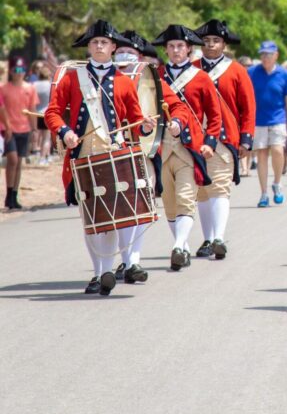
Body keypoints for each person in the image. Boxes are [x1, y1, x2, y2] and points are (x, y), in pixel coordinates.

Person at [44, 20, 166, 294]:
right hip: (84, 155)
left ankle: (117, 266)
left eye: (104, 43)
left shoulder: (123, 81)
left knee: (120, 214)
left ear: (113, 48)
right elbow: (52, 112)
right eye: (94, 42)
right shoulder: (73, 78)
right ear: (88, 47)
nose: (99, 46)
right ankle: (100, 273)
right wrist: (65, 132)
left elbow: (135, 119)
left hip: (115, 154)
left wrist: (145, 125)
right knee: (93, 218)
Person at [154, 24, 223, 272]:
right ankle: (180, 244)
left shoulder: (201, 77)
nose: (175, 50)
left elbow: (215, 116)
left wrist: (210, 142)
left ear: (189, 49)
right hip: (160, 147)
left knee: (185, 198)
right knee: (169, 202)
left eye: (180, 46)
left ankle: (179, 245)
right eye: (171, 46)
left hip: (190, 145)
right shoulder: (155, 77)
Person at [193, 19, 256, 259]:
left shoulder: (237, 70)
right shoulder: (192, 68)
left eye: (215, 41)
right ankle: (207, 238)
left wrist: (246, 138)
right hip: (197, 136)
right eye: (206, 41)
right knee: (202, 190)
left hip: (225, 136)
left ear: (224, 44)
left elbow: (248, 107)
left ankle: (218, 237)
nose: (210, 45)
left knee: (220, 186)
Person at [110, 30, 164, 283]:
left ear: (139, 56)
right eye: (120, 51)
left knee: (140, 207)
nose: (123, 56)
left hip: (141, 152)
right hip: (109, 151)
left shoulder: (147, 77)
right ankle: (123, 260)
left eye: (129, 52)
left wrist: (163, 123)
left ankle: (133, 261)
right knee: (117, 210)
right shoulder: (98, 78)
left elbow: (169, 104)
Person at [248, 40, 287, 207]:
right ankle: (263, 194)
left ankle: (277, 182)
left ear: (276, 56)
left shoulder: (284, 74)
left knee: (277, 150)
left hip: (278, 119)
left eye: (268, 54)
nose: (265, 57)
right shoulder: (252, 72)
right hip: (258, 121)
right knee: (261, 154)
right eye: (262, 54)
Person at [2, 57, 39, 209]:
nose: (19, 73)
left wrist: (35, 129)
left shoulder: (30, 88)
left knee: (19, 163)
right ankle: (9, 193)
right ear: (11, 72)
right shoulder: (4, 89)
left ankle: (14, 196)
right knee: (12, 160)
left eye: (22, 70)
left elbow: (32, 110)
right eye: (16, 70)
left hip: (24, 129)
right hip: (8, 129)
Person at [32, 64, 53, 165]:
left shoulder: (34, 85)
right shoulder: (50, 85)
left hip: (35, 112)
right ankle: (43, 158)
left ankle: (37, 152)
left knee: (37, 134)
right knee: (46, 137)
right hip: (46, 113)